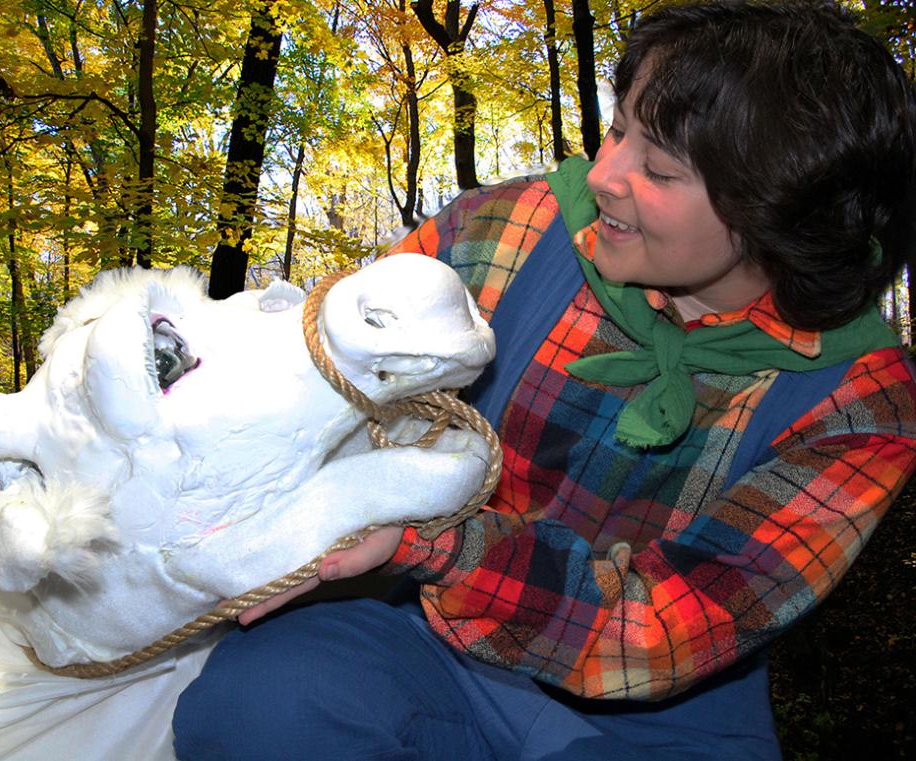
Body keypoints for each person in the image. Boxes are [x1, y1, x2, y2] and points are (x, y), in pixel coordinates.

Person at [172, 2, 916, 758]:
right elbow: (325, 377)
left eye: (659, 169)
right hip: (415, 634)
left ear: (779, 216)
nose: (603, 174)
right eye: (620, 128)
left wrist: (439, 543)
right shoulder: (506, 229)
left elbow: (664, 631)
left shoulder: (857, 402)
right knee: (260, 708)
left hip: (657, 718)